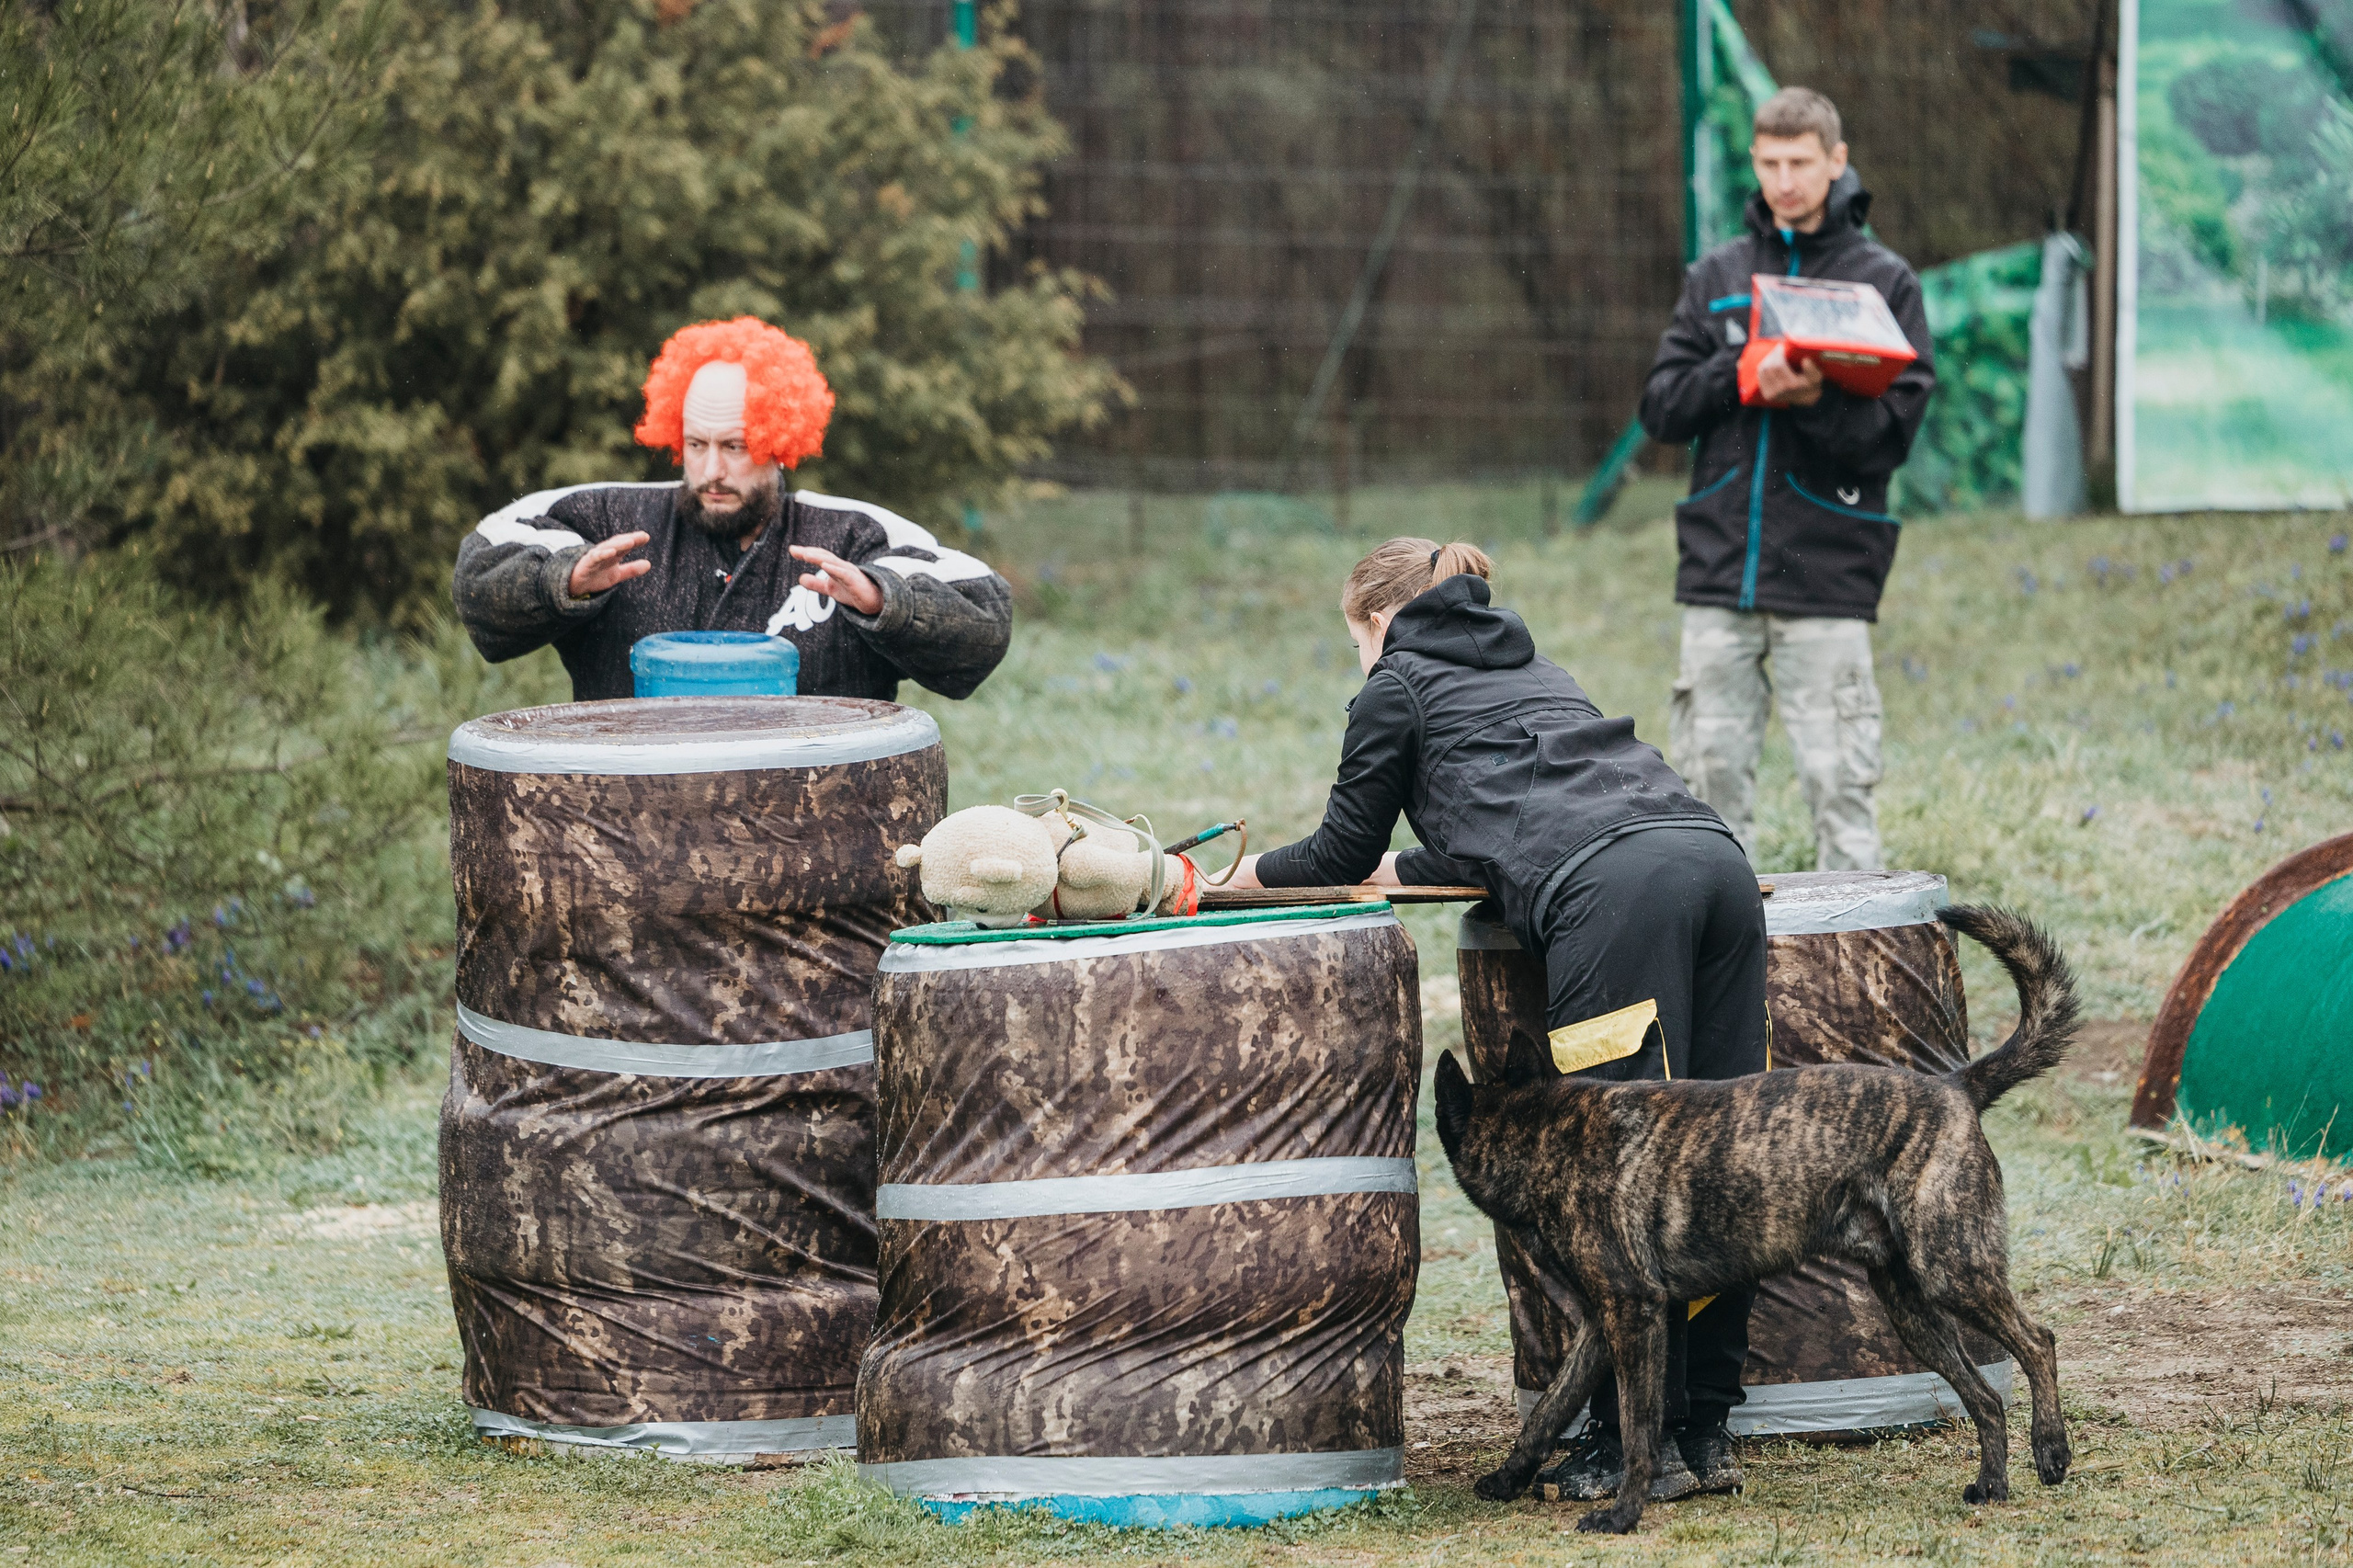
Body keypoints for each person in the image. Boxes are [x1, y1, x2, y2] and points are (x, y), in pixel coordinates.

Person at [1224, 537, 1767, 1502]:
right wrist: (1409, 861)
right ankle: (1702, 1428)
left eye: (1355, 641)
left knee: (1616, 1182)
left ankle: (1626, 1445)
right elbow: (1511, 818)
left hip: (1616, 897)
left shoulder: (1396, 685)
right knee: (1717, 1156)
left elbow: (1338, 851)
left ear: (1377, 621)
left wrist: (1228, 876)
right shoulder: (1537, 669)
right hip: (1715, 865)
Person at [1640, 87, 1937, 871]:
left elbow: (1890, 440)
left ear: (1837, 161)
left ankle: (1859, 947)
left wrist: (1813, 401)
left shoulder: (1885, 284)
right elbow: (1661, 409)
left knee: (1840, 788)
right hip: (1718, 574)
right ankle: (1720, 948)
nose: (1784, 181)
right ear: (1754, 161)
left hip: (1827, 574)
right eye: (1769, 163)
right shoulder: (1717, 276)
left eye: (1800, 163)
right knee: (1706, 795)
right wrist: (1742, 372)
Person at [452, 316, 1012, 702]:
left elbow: (983, 616)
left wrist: (885, 601)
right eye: (696, 445)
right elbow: (481, 570)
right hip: (632, 819)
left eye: (736, 446)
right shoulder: (607, 520)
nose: (712, 470)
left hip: (816, 823)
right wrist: (562, 581)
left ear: (780, 440)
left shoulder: (851, 533)